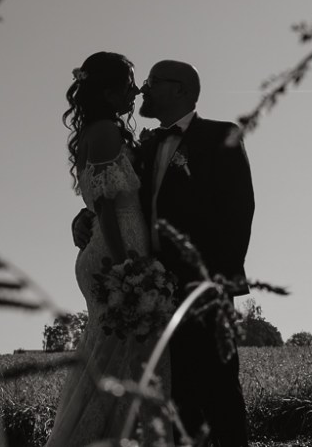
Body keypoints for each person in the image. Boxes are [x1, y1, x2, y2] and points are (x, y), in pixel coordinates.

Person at [73, 59, 255, 447]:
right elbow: (112, 195)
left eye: (153, 82)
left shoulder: (220, 137)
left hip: (201, 290)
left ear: (180, 90)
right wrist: (83, 218)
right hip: (150, 291)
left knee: (220, 393)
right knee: (175, 399)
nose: (143, 89)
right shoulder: (144, 146)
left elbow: (239, 211)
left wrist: (216, 283)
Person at [48, 51, 171, 447]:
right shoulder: (104, 131)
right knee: (122, 358)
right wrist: (127, 269)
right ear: (108, 91)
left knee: (115, 357)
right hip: (116, 255)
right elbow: (105, 207)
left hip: (117, 251)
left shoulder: (102, 131)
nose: (135, 92)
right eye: (128, 85)